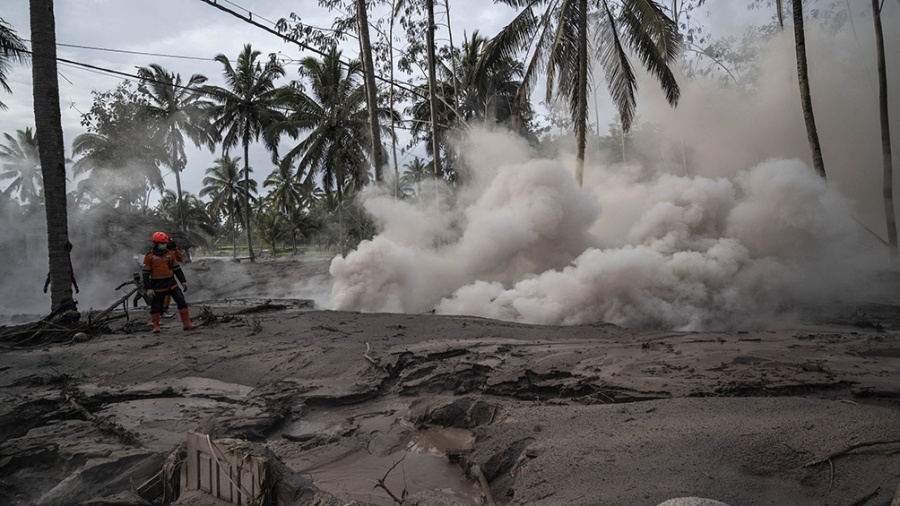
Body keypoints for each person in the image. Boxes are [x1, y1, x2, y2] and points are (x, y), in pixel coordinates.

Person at [142, 231, 197, 333]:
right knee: (156, 306)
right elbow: (145, 274)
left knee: (181, 301)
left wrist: (183, 281)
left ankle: (187, 324)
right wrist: (148, 288)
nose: (163, 245)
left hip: (171, 283)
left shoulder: (170, 255)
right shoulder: (149, 257)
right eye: (161, 244)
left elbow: (177, 269)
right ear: (155, 244)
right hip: (157, 285)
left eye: (164, 243)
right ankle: (156, 326)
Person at [159, 241, 183, 318]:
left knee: (176, 294)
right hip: (161, 277)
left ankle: (164, 310)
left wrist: (176, 249)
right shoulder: (158, 253)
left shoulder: (172, 253)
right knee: (165, 294)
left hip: (170, 276)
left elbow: (179, 259)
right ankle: (163, 310)